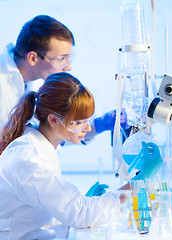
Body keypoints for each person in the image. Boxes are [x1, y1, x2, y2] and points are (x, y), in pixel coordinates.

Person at [0, 72, 133, 239]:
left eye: (87, 120)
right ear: (53, 120)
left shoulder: (41, 144)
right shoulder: (29, 158)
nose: (86, 128)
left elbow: (52, 208)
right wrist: (134, 187)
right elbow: (80, 213)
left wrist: (83, 202)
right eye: (78, 122)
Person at [0, 14, 128, 138]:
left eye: (69, 58)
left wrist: (98, 126)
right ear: (33, 58)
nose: (68, 67)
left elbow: (51, 133)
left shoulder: (40, 79)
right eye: (61, 58)